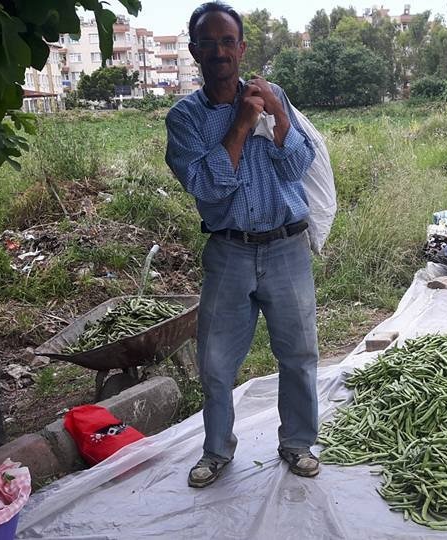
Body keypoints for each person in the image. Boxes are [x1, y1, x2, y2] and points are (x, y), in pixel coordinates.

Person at [164, 1, 320, 488]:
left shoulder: (272, 96)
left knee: (298, 354)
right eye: (207, 44)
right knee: (215, 361)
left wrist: (277, 115)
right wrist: (242, 125)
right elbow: (208, 187)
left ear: (242, 47)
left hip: (286, 247)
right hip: (229, 251)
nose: (219, 52)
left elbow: (298, 167)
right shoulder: (184, 118)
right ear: (194, 52)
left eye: (227, 41)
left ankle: (297, 443)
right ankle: (216, 451)